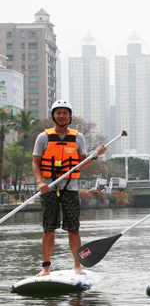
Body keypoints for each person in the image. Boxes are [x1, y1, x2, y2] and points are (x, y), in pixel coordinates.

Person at [32, 100, 107, 277]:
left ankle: (77, 266)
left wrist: (95, 156)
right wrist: (40, 182)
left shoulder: (78, 137)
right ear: (53, 116)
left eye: (65, 113)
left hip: (70, 188)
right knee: (48, 228)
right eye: (58, 113)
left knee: (73, 228)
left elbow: (82, 163)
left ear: (70, 116)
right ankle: (46, 267)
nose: (62, 116)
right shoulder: (43, 137)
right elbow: (35, 162)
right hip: (48, 188)